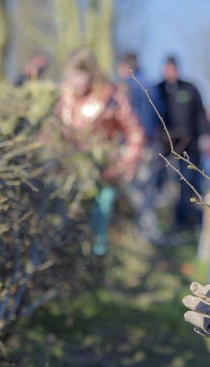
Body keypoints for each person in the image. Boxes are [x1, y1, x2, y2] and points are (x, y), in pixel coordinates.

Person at [56, 47, 145, 255]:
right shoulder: (63, 97)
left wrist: (125, 163)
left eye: (80, 74)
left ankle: (97, 258)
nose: (75, 81)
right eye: (71, 75)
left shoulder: (110, 97)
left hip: (104, 171)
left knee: (101, 211)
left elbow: (135, 132)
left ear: (91, 73)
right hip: (69, 169)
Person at [156, 55, 210, 231]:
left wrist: (204, 136)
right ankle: (166, 221)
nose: (171, 72)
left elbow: (201, 114)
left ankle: (187, 220)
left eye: (174, 68)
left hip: (190, 147)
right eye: (168, 68)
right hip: (165, 148)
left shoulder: (190, 88)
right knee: (165, 186)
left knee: (188, 183)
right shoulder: (157, 90)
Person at [117, 52, 164, 245]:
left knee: (133, 190)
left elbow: (124, 119)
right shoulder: (151, 86)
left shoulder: (128, 88)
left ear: (126, 67)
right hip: (151, 144)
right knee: (147, 191)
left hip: (133, 146)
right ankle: (148, 232)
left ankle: (137, 235)